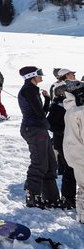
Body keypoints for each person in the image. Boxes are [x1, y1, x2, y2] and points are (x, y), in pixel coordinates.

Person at [17, 66, 60, 208]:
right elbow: (40, 113)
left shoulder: (32, 90)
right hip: (34, 129)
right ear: (32, 76)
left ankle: (51, 198)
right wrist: (48, 103)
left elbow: (40, 112)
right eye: (39, 74)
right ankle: (33, 196)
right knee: (40, 163)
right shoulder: (29, 90)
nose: (41, 76)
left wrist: (47, 99)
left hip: (39, 128)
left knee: (50, 164)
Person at [47, 77, 76, 210]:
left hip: (68, 141)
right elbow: (51, 125)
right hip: (63, 142)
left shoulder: (66, 105)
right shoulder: (57, 106)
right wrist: (65, 131)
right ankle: (67, 199)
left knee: (71, 169)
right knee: (70, 169)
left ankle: (69, 198)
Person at [63, 80, 84, 223]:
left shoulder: (70, 110)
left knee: (82, 186)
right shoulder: (81, 112)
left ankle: (82, 217)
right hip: (81, 152)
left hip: (73, 154)